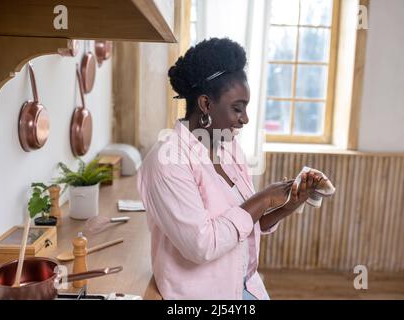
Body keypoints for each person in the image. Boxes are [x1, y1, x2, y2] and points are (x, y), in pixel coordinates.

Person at [137, 38, 320, 300]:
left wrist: (287, 205)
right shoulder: (168, 160)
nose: (245, 119)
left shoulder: (228, 147)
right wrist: (265, 198)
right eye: (237, 108)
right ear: (205, 105)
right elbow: (202, 246)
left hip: (245, 287)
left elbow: (246, 223)